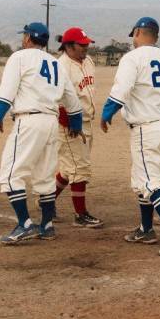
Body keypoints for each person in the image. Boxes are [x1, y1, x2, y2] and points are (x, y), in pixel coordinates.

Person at [100, 17, 160, 257]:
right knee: (142, 179)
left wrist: (106, 113)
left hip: (146, 128)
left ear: (137, 33)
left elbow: (121, 91)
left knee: (150, 182)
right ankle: (146, 229)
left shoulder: (132, 58)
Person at [0, 22, 83, 244]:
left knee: (10, 174)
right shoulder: (56, 63)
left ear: (28, 38)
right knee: (44, 176)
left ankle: (24, 224)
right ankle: (47, 225)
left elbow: (7, 92)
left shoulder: (19, 58)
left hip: (29, 120)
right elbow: (72, 101)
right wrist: (76, 124)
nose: (22, 39)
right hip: (51, 122)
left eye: (24, 35)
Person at [52, 26, 104, 228]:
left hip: (86, 121)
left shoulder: (88, 62)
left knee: (68, 170)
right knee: (79, 168)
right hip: (69, 124)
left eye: (87, 44)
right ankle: (80, 214)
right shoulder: (60, 66)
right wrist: (72, 124)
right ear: (68, 46)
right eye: (82, 45)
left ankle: (45, 201)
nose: (86, 48)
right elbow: (57, 101)